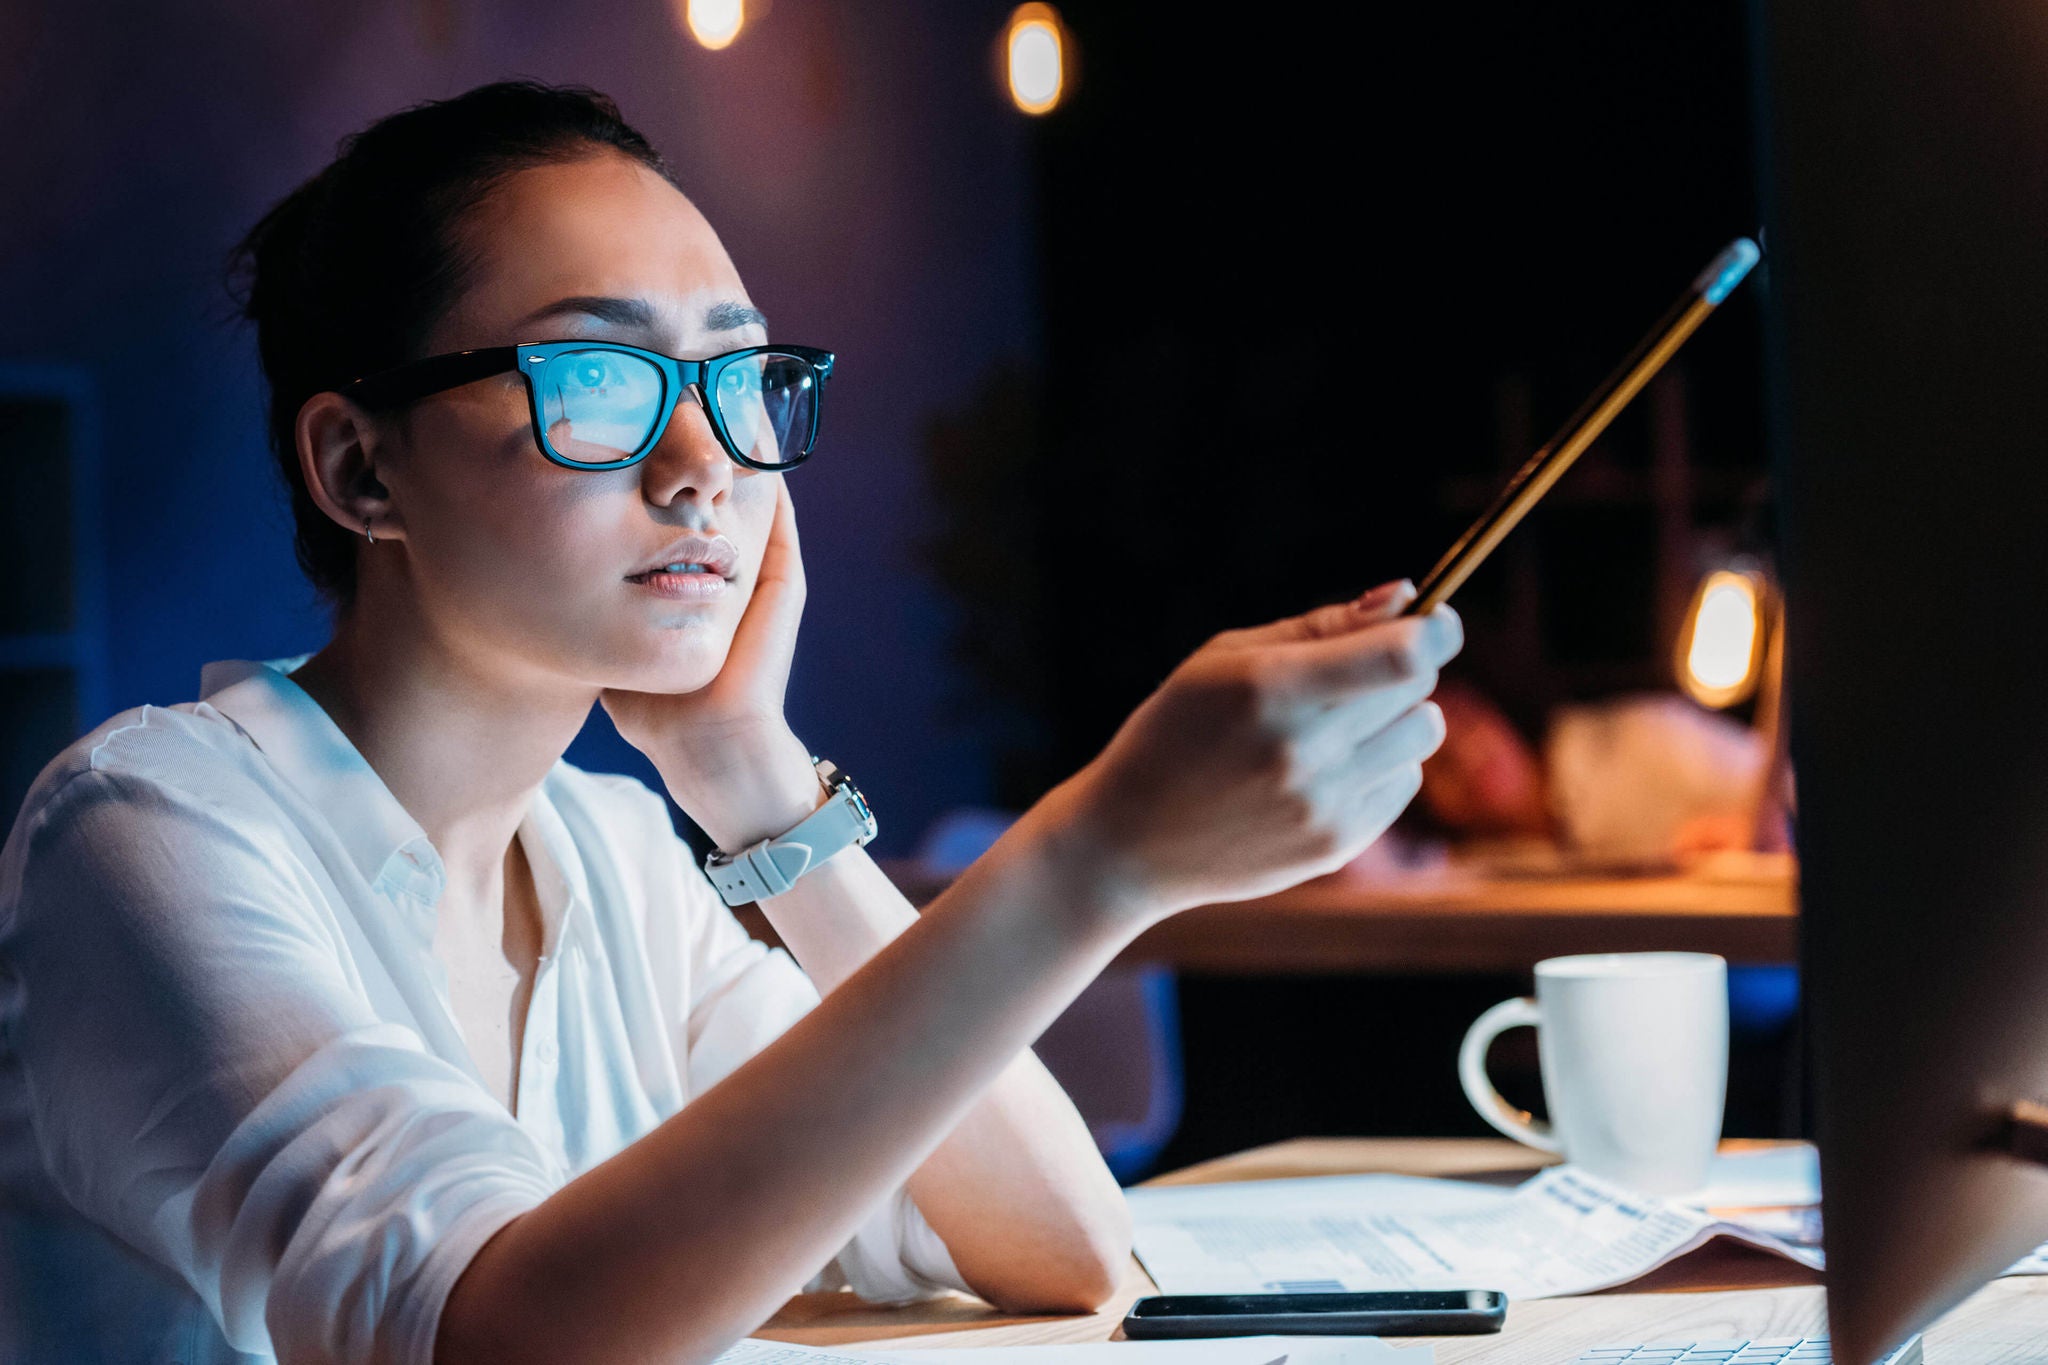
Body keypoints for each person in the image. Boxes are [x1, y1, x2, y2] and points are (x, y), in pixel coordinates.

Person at [0, 81, 1459, 1365]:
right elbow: (493, 1337)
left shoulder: (619, 853)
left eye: (734, 377)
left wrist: (753, 781)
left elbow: (1056, 1245)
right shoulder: (147, 829)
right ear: (359, 468)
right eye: (598, 378)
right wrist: (1091, 863)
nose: (705, 464)